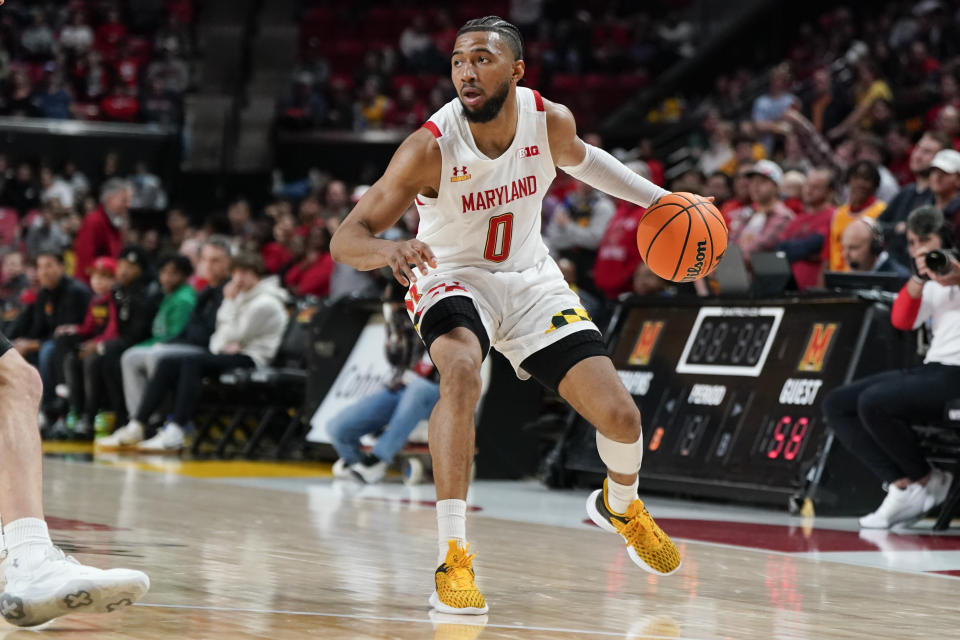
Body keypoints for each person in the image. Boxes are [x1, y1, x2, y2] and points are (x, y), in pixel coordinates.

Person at [330, 15, 684, 616]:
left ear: (516, 71)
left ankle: (620, 505)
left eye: (482, 59)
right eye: (459, 60)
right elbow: (347, 237)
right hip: (448, 274)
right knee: (462, 371)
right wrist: (390, 250)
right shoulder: (429, 147)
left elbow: (586, 160)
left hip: (531, 278)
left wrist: (662, 202)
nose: (467, 70)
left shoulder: (549, 120)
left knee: (622, 418)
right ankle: (453, 558)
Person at [823, 206, 959, 529]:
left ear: (944, 239)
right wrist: (917, 277)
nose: (919, 250)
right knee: (837, 405)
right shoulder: (930, 281)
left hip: (957, 373)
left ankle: (924, 480)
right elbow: (902, 321)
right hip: (934, 368)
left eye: (925, 240)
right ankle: (906, 483)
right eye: (912, 243)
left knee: (875, 401)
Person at [105, 252, 287, 452]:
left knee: (192, 361)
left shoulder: (265, 303)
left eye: (245, 273)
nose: (239, 278)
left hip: (254, 359)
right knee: (169, 361)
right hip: (230, 354)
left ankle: (176, 430)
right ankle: (137, 424)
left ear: (257, 274)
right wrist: (225, 337)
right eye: (236, 272)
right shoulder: (243, 297)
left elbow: (230, 334)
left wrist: (229, 302)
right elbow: (220, 339)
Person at [110, 237, 232, 441]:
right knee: (131, 356)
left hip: (210, 349)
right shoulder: (205, 292)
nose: (209, 265)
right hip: (191, 345)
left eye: (216, 260)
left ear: (229, 262)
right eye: (206, 260)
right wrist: (170, 342)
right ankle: (137, 422)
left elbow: (213, 332)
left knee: (159, 355)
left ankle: (160, 421)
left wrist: (169, 343)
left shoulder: (229, 291)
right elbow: (187, 330)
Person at [329, 282, 440, 484]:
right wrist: (393, 331)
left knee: (417, 388)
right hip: (401, 389)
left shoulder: (435, 316)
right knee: (337, 428)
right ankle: (359, 463)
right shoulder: (398, 323)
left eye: (396, 306)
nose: (394, 310)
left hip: (436, 391)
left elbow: (429, 364)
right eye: (392, 307)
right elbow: (395, 360)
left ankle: (378, 459)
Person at [11, 252, 90, 419]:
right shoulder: (43, 294)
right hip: (51, 342)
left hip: (74, 345)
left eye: (49, 266)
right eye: (40, 267)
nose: (43, 272)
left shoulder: (75, 291)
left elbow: (66, 334)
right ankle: (18, 411)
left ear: (62, 267)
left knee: (47, 350)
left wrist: (34, 344)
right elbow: (37, 330)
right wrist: (22, 342)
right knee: (13, 352)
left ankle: (48, 409)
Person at [877, 131, 949, 266]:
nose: (918, 156)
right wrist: (896, 229)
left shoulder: (941, 196)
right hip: (892, 267)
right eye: (918, 148)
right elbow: (877, 226)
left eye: (927, 152)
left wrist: (898, 230)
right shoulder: (906, 191)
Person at [776, 167, 836, 289]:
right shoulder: (798, 219)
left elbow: (817, 245)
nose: (809, 190)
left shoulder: (834, 216)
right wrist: (808, 252)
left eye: (816, 187)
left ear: (829, 192)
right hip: (790, 289)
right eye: (807, 185)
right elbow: (779, 249)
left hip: (816, 289)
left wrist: (792, 250)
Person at [823, 161, 887, 273]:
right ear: (849, 181)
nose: (860, 183)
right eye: (856, 178)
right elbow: (828, 253)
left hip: (863, 276)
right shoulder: (839, 213)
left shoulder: (881, 210)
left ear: (875, 185)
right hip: (836, 277)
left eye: (866, 179)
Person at [726, 159, 795, 260]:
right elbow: (732, 241)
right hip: (737, 269)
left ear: (777, 187)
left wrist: (729, 259)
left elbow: (762, 245)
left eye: (762, 181)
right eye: (752, 181)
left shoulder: (784, 216)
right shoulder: (748, 213)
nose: (755, 185)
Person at [73, 179, 130, 284]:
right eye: (124, 200)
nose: (128, 205)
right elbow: (86, 262)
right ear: (109, 199)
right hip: (91, 288)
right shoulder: (93, 221)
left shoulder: (115, 223)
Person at [839, 216, 909, 277]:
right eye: (844, 247)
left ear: (875, 247)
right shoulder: (850, 276)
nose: (845, 255)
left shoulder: (900, 279)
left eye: (853, 248)